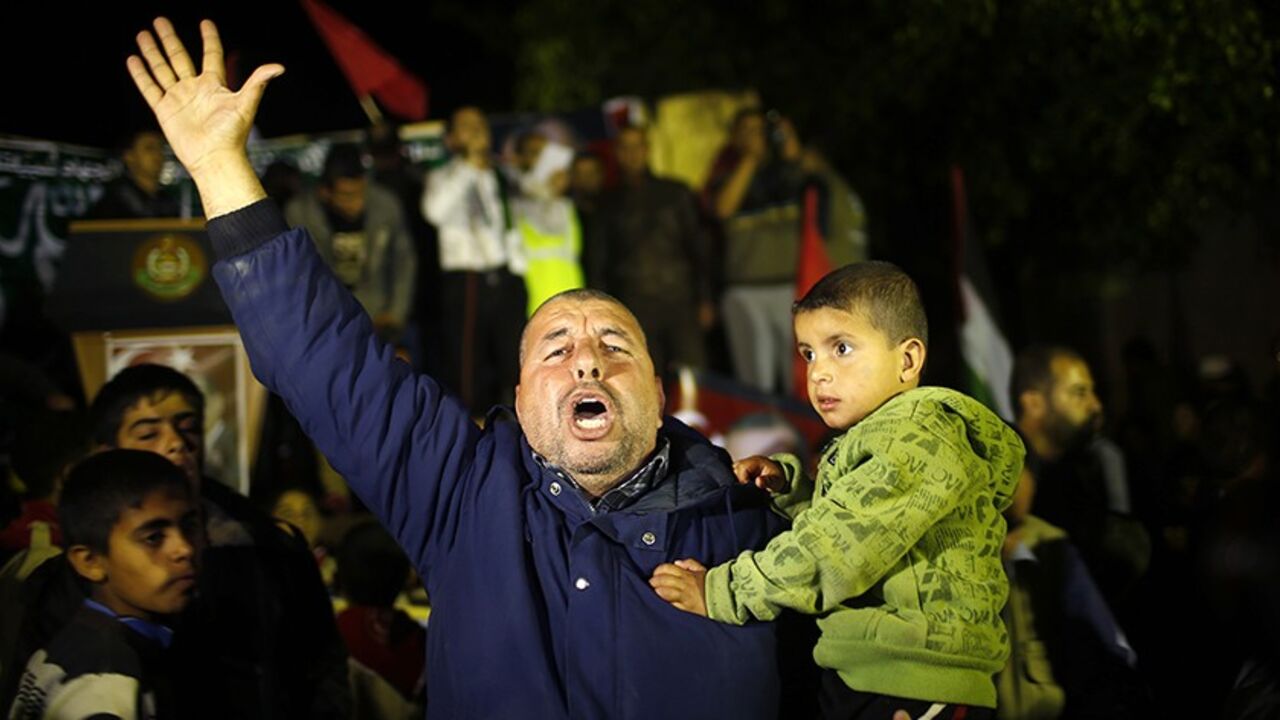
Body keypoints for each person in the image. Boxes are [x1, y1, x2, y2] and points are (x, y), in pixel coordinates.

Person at [125, 18, 789, 719]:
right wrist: (218, 167)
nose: (587, 361)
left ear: (657, 394)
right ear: (521, 400)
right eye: (556, 348)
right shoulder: (464, 496)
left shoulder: (749, 529)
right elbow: (323, 359)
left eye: (615, 346)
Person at [651, 261, 1024, 719]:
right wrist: (792, 490)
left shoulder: (916, 438)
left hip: (913, 682)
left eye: (841, 348)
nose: (819, 373)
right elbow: (868, 532)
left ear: (908, 360)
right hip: (878, 674)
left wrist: (720, 591)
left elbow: (836, 551)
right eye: (808, 354)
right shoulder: (879, 438)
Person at [1, 364, 350, 718]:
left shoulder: (271, 545)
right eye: (148, 433)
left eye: (189, 427)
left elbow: (323, 668)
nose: (176, 444)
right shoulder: (67, 597)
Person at [8, 450, 201, 719]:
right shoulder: (106, 686)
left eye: (189, 526)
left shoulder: (77, 636)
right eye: (154, 538)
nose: (184, 549)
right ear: (90, 562)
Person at [1011, 345, 1149, 603]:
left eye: (1092, 392)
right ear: (1033, 403)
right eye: (1079, 393)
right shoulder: (1002, 473)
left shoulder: (1080, 471)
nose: (1095, 405)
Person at [421, 106, 527, 412]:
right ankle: (472, 427)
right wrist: (468, 165)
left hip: (504, 276)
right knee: (468, 364)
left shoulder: (498, 174)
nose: (478, 131)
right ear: (452, 139)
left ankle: (521, 425)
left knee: (515, 360)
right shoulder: (443, 175)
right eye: (467, 127)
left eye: (481, 125)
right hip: (467, 279)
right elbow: (434, 211)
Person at [590, 125, 713, 375]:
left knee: (691, 372)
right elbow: (597, 261)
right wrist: (603, 313)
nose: (632, 154)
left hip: (680, 299)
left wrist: (706, 297)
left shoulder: (675, 193)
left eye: (637, 146)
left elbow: (698, 247)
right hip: (633, 304)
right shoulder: (606, 202)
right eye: (625, 147)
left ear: (646, 150)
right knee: (644, 374)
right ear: (617, 153)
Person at [285, 142, 417, 346]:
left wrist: (395, 313)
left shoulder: (385, 205)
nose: (356, 202)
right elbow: (296, 273)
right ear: (325, 191)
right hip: (326, 320)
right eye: (346, 195)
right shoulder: (301, 213)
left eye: (360, 192)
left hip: (379, 317)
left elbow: (403, 261)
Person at [87, 129, 181, 219]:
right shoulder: (114, 201)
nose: (158, 155)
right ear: (129, 156)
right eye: (149, 148)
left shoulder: (167, 202)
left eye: (161, 148)